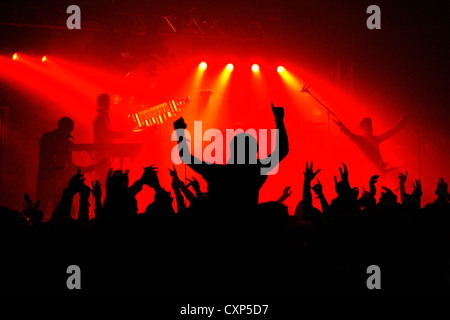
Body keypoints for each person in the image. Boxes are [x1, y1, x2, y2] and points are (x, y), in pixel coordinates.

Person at [173, 103, 289, 214]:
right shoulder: (256, 172)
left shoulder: (217, 173)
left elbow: (186, 156)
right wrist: (279, 120)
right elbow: (283, 150)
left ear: (232, 150)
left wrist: (180, 132)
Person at [334, 115, 408, 173]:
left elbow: (390, 132)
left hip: (378, 171)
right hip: (367, 172)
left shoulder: (375, 139)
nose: (370, 128)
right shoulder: (360, 140)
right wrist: (342, 126)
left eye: (371, 126)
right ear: (363, 129)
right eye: (368, 127)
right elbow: (349, 134)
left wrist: (401, 123)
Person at [36, 117, 76, 220]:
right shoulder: (48, 138)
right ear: (62, 127)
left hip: (60, 181)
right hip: (46, 177)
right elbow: (46, 156)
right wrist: (62, 148)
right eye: (69, 129)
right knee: (41, 206)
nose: (70, 133)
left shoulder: (68, 143)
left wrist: (87, 168)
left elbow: (69, 163)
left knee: (63, 207)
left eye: (71, 130)